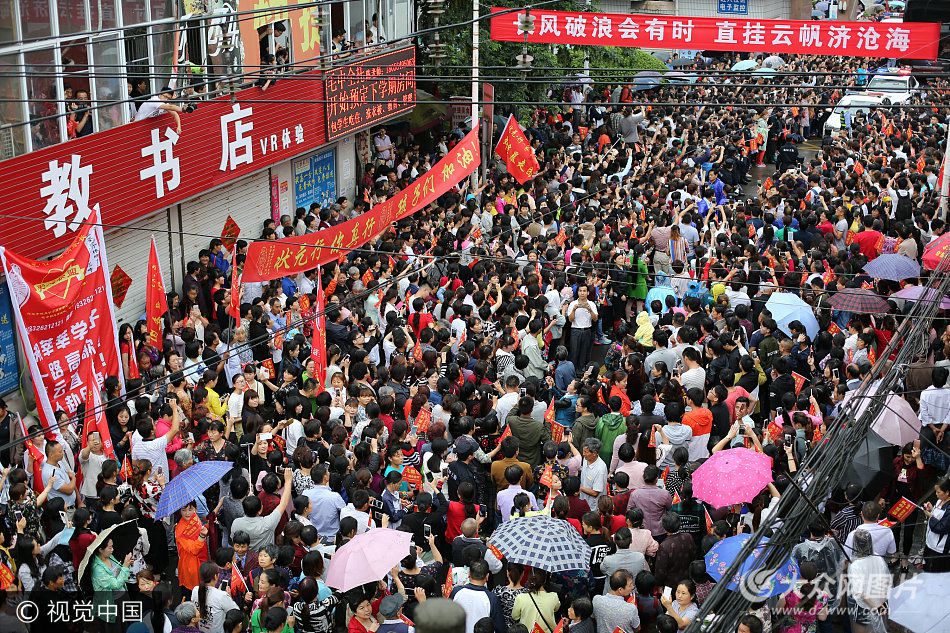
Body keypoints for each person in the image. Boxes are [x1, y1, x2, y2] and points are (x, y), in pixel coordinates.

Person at [511, 569, 560, 633]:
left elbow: (515, 616)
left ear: (529, 580)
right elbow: (556, 609)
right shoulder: (554, 596)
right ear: (545, 580)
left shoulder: (521, 597)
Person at [922, 477, 950, 573]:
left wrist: (930, 516)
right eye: (936, 491)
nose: (936, 494)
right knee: (926, 569)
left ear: (947, 492)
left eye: (938, 492)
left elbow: (942, 527)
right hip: (930, 543)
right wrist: (931, 509)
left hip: (940, 549)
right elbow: (937, 516)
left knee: (936, 574)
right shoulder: (939, 501)